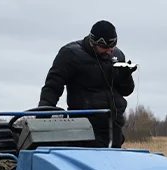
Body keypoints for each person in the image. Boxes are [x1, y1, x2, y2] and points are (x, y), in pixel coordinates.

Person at [38, 20, 137, 148]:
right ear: (93, 42)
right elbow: (52, 87)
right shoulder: (70, 54)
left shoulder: (117, 55)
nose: (109, 51)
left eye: (112, 47)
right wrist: (41, 117)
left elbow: (126, 91)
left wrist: (126, 77)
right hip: (85, 128)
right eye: (105, 47)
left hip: (114, 126)